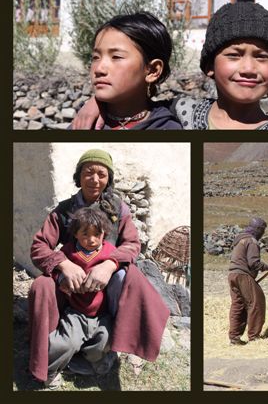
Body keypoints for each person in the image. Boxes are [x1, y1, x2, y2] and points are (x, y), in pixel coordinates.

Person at [28, 149, 169, 386]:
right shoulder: (63, 211)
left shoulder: (117, 209)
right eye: (88, 172)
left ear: (108, 178)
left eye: (101, 174)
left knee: (126, 275)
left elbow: (132, 243)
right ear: (79, 176)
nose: (95, 179)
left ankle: (115, 336)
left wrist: (109, 264)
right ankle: (45, 352)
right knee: (41, 284)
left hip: (105, 283)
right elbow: (39, 246)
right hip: (75, 284)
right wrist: (63, 264)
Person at [72, 3, 268, 130]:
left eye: (262, 57)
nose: (248, 67)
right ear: (210, 65)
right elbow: (133, 99)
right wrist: (97, 101)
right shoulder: (185, 110)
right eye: (234, 55)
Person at [72, 12, 181, 130]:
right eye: (95, 57)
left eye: (116, 57)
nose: (99, 69)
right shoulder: (83, 124)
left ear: (152, 71)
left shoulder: (167, 130)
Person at [46, 208, 119, 386]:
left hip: (102, 315)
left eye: (97, 234)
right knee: (62, 344)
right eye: (85, 234)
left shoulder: (109, 251)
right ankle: (49, 371)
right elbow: (56, 268)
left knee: (103, 342)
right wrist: (62, 278)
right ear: (75, 234)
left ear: (105, 233)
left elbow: (121, 260)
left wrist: (110, 266)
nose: (91, 239)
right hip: (76, 313)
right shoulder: (68, 251)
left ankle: (93, 359)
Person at [228, 217, 268, 345]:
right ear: (257, 229)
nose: (262, 233)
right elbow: (254, 263)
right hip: (243, 275)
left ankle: (234, 338)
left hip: (232, 275)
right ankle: (254, 337)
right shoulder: (251, 241)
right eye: (262, 230)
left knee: (238, 305)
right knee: (256, 303)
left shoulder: (240, 240)